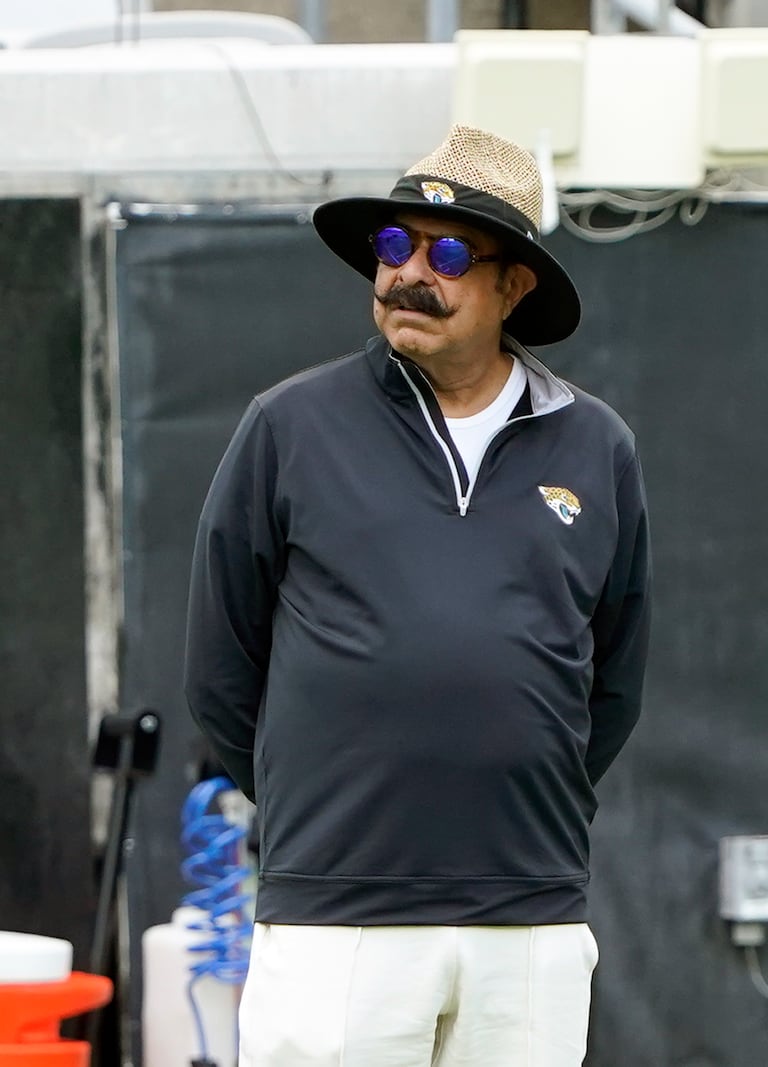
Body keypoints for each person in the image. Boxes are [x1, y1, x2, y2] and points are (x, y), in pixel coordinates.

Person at [184, 125, 651, 1067]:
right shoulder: (287, 426)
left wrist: (515, 789)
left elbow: (615, 678)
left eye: (445, 252)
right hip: (334, 915)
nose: (407, 275)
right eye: (393, 247)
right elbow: (219, 669)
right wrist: (319, 806)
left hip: (527, 918)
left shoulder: (596, 447)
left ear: (513, 285)